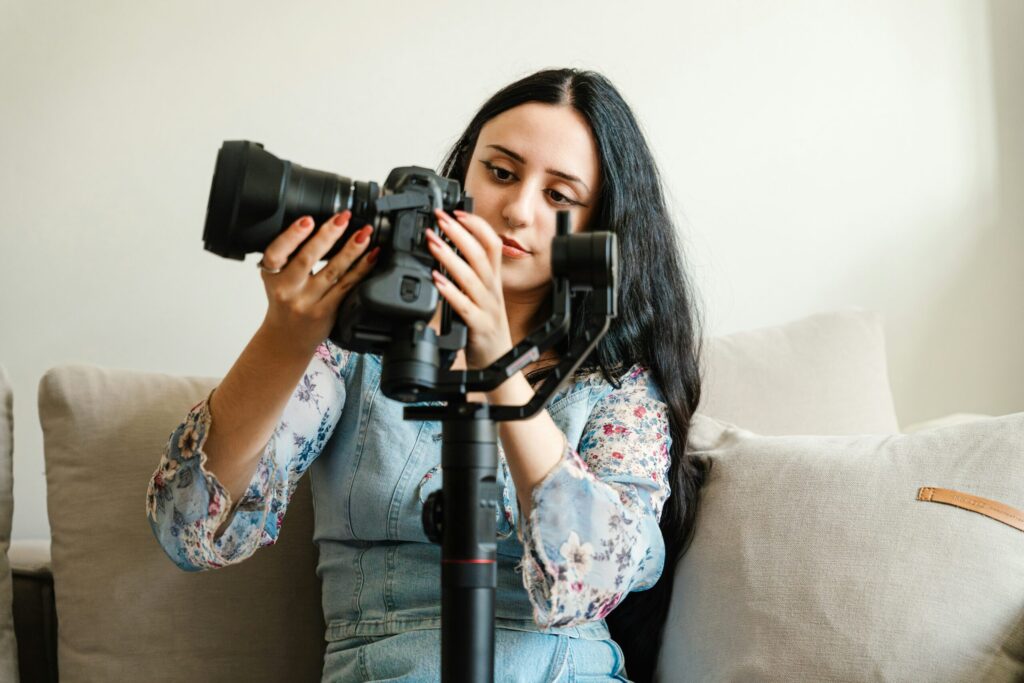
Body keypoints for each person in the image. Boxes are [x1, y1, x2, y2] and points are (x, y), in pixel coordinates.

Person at [146, 68, 708, 682]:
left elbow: (594, 580)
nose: (518, 210)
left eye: (559, 197)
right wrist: (285, 338)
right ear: (461, 175)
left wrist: (496, 364)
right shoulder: (358, 352)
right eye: (501, 172)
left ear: (598, 226)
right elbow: (188, 529)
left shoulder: (617, 385)